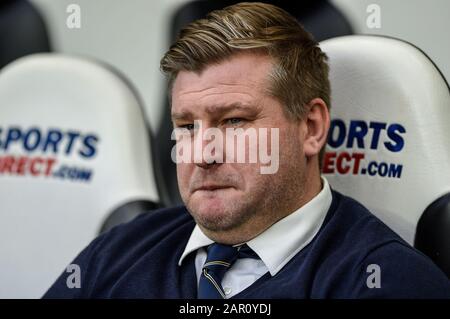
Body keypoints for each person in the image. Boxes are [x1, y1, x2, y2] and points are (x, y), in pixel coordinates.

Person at [43, 2, 450, 298]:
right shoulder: (117, 252)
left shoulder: (386, 282)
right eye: (185, 126)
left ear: (311, 128)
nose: (201, 154)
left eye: (233, 121)